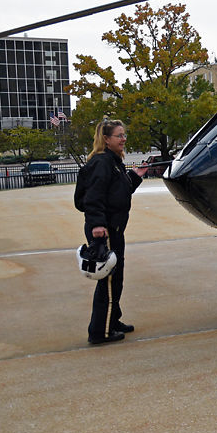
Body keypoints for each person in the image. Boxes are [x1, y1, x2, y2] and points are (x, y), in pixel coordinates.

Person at [81, 119, 147, 345]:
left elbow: (119, 192)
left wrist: (136, 175)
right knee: (108, 280)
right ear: (106, 139)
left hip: (115, 229)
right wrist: (98, 225)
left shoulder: (114, 162)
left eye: (123, 135)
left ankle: (112, 320)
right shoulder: (101, 163)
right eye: (119, 135)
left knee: (115, 278)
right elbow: (93, 197)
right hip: (105, 231)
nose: (123, 139)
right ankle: (100, 332)